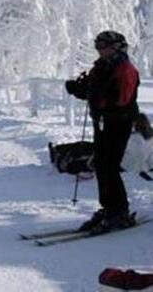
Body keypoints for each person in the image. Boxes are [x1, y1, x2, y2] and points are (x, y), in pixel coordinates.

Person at [66, 30, 140, 234]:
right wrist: (78, 89)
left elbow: (120, 99)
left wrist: (95, 94)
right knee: (101, 164)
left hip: (119, 123)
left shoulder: (125, 69)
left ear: (115, 47)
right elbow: (92, 91)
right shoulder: (102, 66)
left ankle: (119, 210)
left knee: (110, 165)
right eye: (97, 46)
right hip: (102, 123)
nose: (100, 50)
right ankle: (109, 208)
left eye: (103, 46)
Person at [122, 112, 153, 181]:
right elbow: (151, 156)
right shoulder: (150, 137)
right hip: (143, 169)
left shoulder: (129, 137)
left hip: (127, 168)